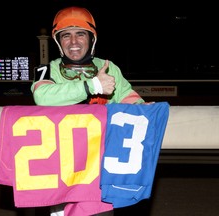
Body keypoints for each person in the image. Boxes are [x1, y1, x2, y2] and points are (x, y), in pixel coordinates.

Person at [31, 6, 149, 216]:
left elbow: (129, 98)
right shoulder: (47, 69)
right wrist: (93, 86)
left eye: (80, 34)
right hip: (63, 169)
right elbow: (42, 97)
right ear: (58, 42)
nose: (74, 42)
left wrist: (145, 109)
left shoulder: (108, 67)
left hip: (100, 167)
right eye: (66, 35)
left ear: (91, 39)